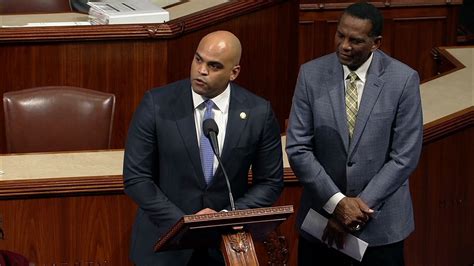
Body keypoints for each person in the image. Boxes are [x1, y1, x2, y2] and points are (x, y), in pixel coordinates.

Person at [123, 30, 284, 265]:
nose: (202, 70)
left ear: (234, 72)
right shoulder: (157, 104)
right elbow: (136, 178)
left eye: (214, 66)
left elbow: (270, 181)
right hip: (163, 246)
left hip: (223, 248)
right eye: (198, 59)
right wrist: (184, 225)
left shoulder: (258, 112)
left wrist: (228, 216)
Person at [286, 2, 423, 266]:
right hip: (322, 225)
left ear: (376, 43)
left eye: (355, 40)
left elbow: (405, 155)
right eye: (340, 35)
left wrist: (357, 209)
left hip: (381, 230)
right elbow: (298, 148)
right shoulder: (310, 74)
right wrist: (337, 205)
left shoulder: (403, 79)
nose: (344, 45)